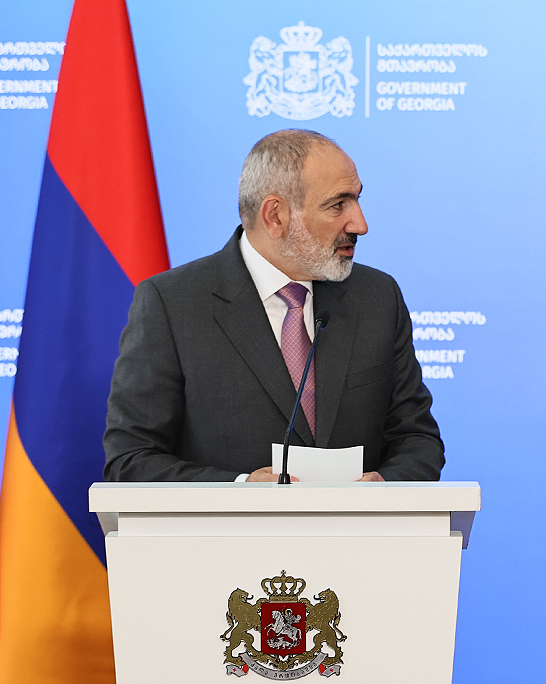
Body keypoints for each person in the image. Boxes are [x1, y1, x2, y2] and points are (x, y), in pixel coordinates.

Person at [104, 129, 443, 482]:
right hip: (227, 521)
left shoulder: (377, 297)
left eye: (357, 199)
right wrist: (241, 490)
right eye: (337, 205)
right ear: (275, 216)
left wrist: (386, 487)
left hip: (360, 520)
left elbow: (416, 440)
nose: (360, 224)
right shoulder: (172, 304)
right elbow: (131, 461)